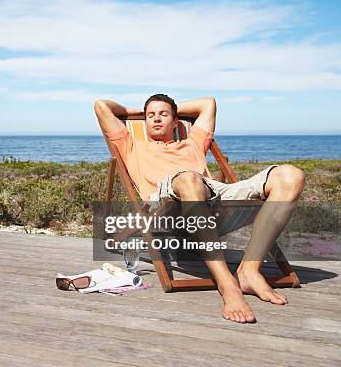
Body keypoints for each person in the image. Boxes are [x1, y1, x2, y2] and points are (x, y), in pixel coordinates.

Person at [94, 94, 305, 323]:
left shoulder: (193, 142)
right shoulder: (131, 145)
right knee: (188, 178)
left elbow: (208, 104)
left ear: (176, 121)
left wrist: (172, 110)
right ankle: (227, 284)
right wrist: (139, 113)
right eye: (151, 116)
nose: (156, 119)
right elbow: (102, 106)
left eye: (163, 115)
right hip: (169, 197)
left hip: (212, 191)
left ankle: (249, 270)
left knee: (291, 176)